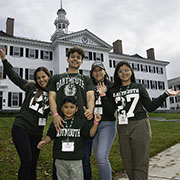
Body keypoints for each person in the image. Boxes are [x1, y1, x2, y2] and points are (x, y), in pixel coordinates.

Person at [98, 61, 180, 180]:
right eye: (120, 71)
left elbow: (150, 107)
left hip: (139, 125)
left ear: (131, 71)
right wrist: (103, 95)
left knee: (140, 163)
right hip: (123, 126)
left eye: (127, 70)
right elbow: (111, 111)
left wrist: (166, 94)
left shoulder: (139, 87)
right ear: (117, 74)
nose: (124, 73)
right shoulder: (113, 90)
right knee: (128, 163)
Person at [0, 46, 51, 180]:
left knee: (33, 164)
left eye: (43, 77)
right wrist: (4, 60)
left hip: (37, 132)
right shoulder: (31, 87)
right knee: (27, 161)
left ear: (48, 77)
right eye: (38, 78)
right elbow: (14, 77)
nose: (41, 80)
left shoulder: (53, 95)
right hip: (21, 127)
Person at [47, 46, 95, 180]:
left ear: (82, 61)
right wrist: (55, 115)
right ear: (67, 59)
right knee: (59, 160)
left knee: (84, 159)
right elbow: (52, 97)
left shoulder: (86, 79)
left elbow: (91, 96)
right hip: (61, 123)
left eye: (78, 57)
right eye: (73, 56)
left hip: (82, 124)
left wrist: (90, 111)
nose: (75, 59)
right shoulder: (57, 78)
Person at [37, 96, 101, 180]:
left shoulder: (80, 122)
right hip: (60, 159)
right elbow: (50, 135)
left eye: (72, 107)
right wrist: (44, 141)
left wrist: (96, 122)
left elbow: (90, 134)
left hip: (76, 160)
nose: (68, 110)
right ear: (62, 108)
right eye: (66, 107)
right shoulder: (57, 122)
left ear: (76, 109)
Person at [90, 61, 116, 180]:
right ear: (92, 73)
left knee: (101, 158)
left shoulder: (112, 86)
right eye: (95, 70)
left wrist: (103, 95)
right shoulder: (89, 87)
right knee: (99, 158)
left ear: (105, 72)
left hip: (107, 124)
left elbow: (111, 111)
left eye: (100, 70)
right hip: (93, 125)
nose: (98, 72)